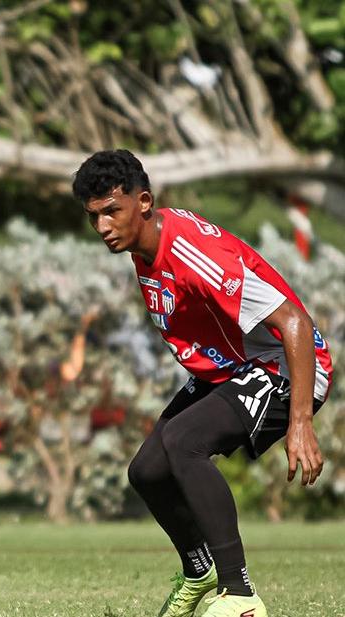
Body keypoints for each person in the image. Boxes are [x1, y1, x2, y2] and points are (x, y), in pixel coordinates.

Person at [72, 150, 334, 617]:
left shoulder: (192, 252)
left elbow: (294, 321)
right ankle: (200, 571)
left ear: (144, 201)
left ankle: (241, 595)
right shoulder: (144, 246)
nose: (103, 227)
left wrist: (301, 423)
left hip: (287, 367)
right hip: (230, 370)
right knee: (147, 471)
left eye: (113, 211)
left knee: (183, 441)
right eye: (94, 217)